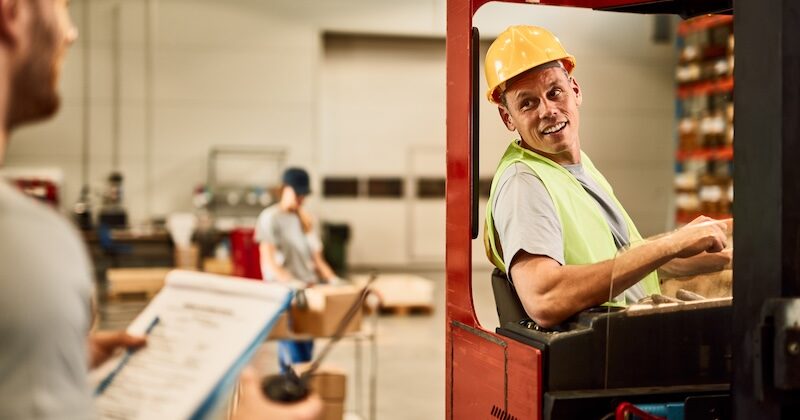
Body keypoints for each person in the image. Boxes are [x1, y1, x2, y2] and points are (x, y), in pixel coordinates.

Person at [0, 1, 320, 418]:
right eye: (60, 4)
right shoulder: (28, 246)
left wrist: (57, 361)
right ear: (12, 13)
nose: (70, 32)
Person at [483, 25, 732, 329]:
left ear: (575, 91)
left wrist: (705, 255)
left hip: (625, 339)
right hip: (598, 358)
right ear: (508, 118)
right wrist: (671, 244)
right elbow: (544, 298)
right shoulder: (524, 183)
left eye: (554, 92)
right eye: (528, 103)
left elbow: (617, 261)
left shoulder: (576, 168)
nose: (548, 110)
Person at [256, 167, 338, 370]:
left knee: (306, 354)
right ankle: (290, 394)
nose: (301, 198)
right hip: (286, 295)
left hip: (308, 293)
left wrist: (334, 280)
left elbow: (317, 260)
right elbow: (269, 261)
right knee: (293, 356)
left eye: (304, 194)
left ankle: (299, 394)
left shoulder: (306, 220)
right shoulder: (270, 218)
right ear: (284, 189)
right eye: (297, 193)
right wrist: (292, 283)